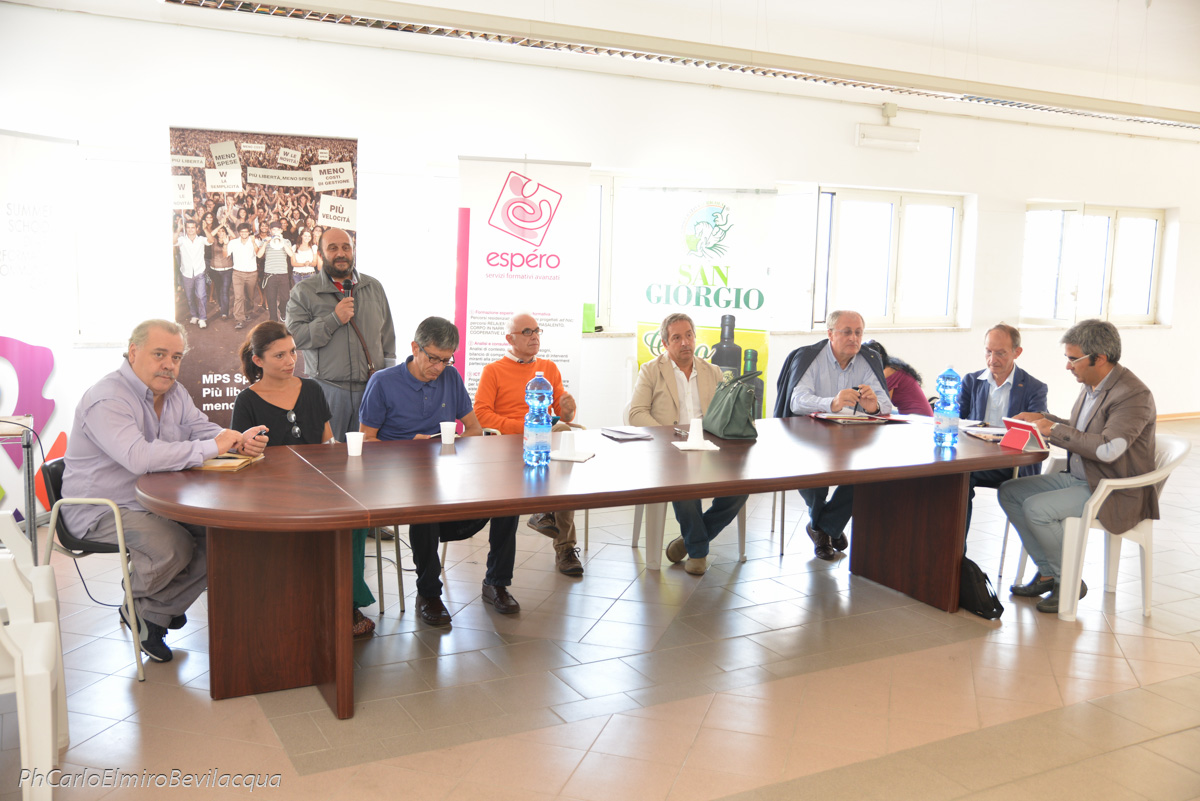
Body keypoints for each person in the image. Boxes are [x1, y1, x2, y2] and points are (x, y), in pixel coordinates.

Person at [61, 319, 267, 662]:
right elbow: (138, 458)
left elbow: (201, 429)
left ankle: (152, 610)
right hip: (100, 509)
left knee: (223, 536)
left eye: (176, 357)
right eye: (159, 354)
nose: (169, 365)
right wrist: (214, 446)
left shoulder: (175, 392)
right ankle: (149, 608)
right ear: (133, 352)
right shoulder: (107, 398)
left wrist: (235, 440)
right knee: (174, 546)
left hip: (152, 502)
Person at [359, 316, 520, 626]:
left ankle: (496, 583)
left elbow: (474, 429)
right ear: (414, 348)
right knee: (426, 504)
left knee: (508, 498)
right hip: (398, 477)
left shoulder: (451, 378)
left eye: (446, 360)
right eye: (433, 358)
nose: (439, 367)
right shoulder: (382, 382)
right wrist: (410, 447)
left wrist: (456, 444)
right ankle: (429, 592)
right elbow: (366, 441)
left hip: (446, 471)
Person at [999, 319, 1157, 613]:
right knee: (1010, 492)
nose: (1068, 366)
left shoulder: (1133, 395)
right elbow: (1083, 430)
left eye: (1073, 359)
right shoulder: (1092, 385)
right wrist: (1044, 419)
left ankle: (1068, 581)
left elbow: (1108, 449)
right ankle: (1049, 573)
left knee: (1037, 509)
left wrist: (1054, 430)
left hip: (1112, 488)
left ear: (1100, 358)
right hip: (1083, 478)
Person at [230, 321, 376, 638]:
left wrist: (339, 473)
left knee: (353, 520)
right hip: (272, 495)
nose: (290, 361)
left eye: (293, 352)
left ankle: (347, 601)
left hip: (319, 487)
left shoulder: (311, 389)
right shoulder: (247, 401)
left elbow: (327, 443)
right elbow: (242, 457)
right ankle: (298, 600)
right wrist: (247, 447)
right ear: (258, 360)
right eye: (279, 355)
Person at [629, 312, 748, 576]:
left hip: (708, 450)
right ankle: (697, 551)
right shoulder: (651, 370)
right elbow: (636, 413)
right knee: (686, 487)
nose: (685, 342)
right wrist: (669, 437)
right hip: (668, 452)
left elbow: (726, 413)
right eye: (676, 338)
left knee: (742, 487)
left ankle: (691, 540)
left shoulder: (713, 371)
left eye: (689, 335)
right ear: (665, 343)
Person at [775, 310, 892, 560]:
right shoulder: (810, 357)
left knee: (869, 473)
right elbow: (797, 401)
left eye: (858, 332)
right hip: (810, 439)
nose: (854, 338)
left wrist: (873, 406)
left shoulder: (867, 359)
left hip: (852, 439)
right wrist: (832, 403)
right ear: (830, 333)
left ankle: (824, 527)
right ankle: (828, 528)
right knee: (814, 477)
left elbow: (886, 405)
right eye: (847, 332)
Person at [473, 313, 583, 576]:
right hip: (509, 445)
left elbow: (563, 414)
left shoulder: (548, 368)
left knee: (563, 443)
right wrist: (524, 428)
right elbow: (481, 415)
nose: (534, 336)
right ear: (509, 339)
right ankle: (546, 516)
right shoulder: (493, 370)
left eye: (536, 330)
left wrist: (568, 409)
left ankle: (560, 540)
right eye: (526, 332)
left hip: (546, 439)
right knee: (559, 445)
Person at [286, 227, 396, 442]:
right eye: (333, 248)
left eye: (346, 247)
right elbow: (295, 338)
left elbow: (387, 336)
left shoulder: (374, 287)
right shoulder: (304, 291)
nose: (341, 253)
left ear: (353, 251)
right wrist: (334, 319)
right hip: (328, 390)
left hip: (371, 390)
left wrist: (389, 381)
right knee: (328, 456)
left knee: (370, 455)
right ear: (320, 254)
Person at [959, 324, 1049, 536]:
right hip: (975, 457)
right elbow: (956, 420)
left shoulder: (1034, 388)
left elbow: (1036, 432)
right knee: (953, 477)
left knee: (962, 475)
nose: (992, 360)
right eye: (988, 352)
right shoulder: (972, 381)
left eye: (1000, 353)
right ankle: (953, 550)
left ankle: (958, 553)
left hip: (1011, 462)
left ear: (1017, 352)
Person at [861, 340, 932, 416]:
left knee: (875, 412)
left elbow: (883, 404)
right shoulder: (891, 366)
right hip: (914, 414)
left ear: (879, 357)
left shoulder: (889, 372)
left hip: (918, 417)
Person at [255, 219, 295, 323]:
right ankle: (273, 318)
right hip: (270, 274)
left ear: (281, 230)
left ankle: (282, 309)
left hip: (283, 274)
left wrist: (282, 241)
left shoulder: (286, 241)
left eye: (278, 229)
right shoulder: (266, 241)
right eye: (273, 229)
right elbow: (259, 255)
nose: (276, 231)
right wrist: (265, 243)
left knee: (285, 298)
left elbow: (291, 254)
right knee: (271, 298)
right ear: (270, 231)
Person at [173, 218, 211, 329]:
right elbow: (173, 242)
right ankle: (194, 315)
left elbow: (211, 240)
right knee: (189, 297)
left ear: (197, 228)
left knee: (201, 295)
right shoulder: (182, 240)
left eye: (192, 228)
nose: (190, 230)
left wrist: (205, 229)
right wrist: (178, 229)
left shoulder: (201, 239)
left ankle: (202, 318)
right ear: (185, 229)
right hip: (186, 273)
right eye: (188, 228)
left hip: (199, 272)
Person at [228, 222, 258, 331]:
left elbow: (259, 254)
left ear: (249, 232)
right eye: (242, 232)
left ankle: (248, 312)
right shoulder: (233, 242)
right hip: (237, 273)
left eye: (246, 231)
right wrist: (225, 244)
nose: (244, 233)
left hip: (252, 273)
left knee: (250, 297)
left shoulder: (255, 241)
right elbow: (225, 254)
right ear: (239, 232)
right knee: (239, 297)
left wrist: (254, 242)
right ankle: (239, 319)